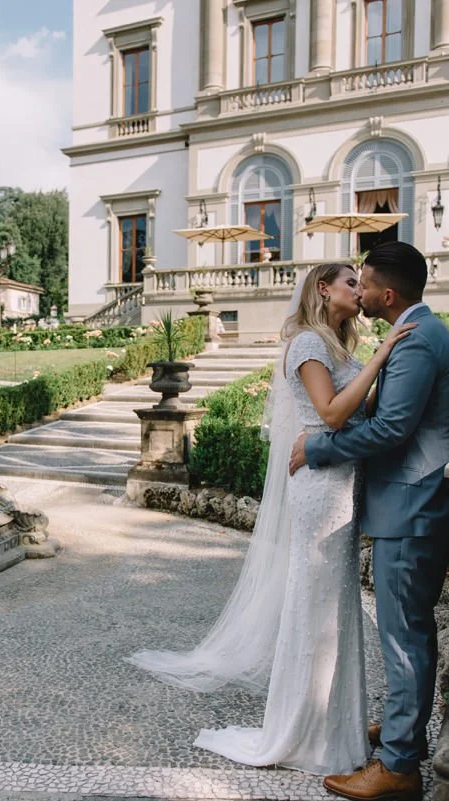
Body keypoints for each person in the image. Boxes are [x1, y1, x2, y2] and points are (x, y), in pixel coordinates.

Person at [126, 261, 415, 776]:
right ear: (323, 290)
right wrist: (383, 356)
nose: (361, 289)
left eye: (362, 281)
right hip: (321, 488)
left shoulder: (338, 346)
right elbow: (330, 414)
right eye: (352, 281)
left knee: (336, 607)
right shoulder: (307, 343)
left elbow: (357, 409)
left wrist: (377, 366)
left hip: (342, 482)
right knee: (317, 606)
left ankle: (335, 725)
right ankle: (305, 734)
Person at [290, 241, 449, 801]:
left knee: (404, 638)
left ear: (386, 294)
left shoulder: (415, 342)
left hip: (412, 507)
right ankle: (400, 735)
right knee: (409, 632)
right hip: (416, 504)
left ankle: (397, 767)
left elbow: (391, 429)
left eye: (363, 283)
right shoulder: (421, 332)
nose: (359, 291)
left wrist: (317, 450)